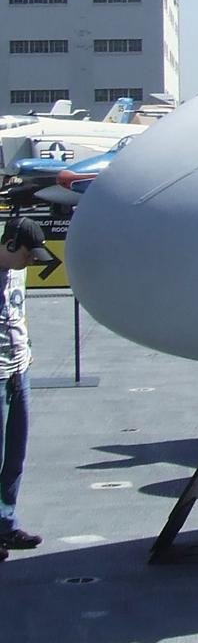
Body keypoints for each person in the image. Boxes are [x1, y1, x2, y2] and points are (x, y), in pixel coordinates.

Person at [1, 214, 56, 559]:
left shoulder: (18, 272)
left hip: (20, 370)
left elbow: (18, 315)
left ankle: (6, 523)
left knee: (15, 455)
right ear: (10, 245)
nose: (31, 261)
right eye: (28, 254)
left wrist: (26, 352)